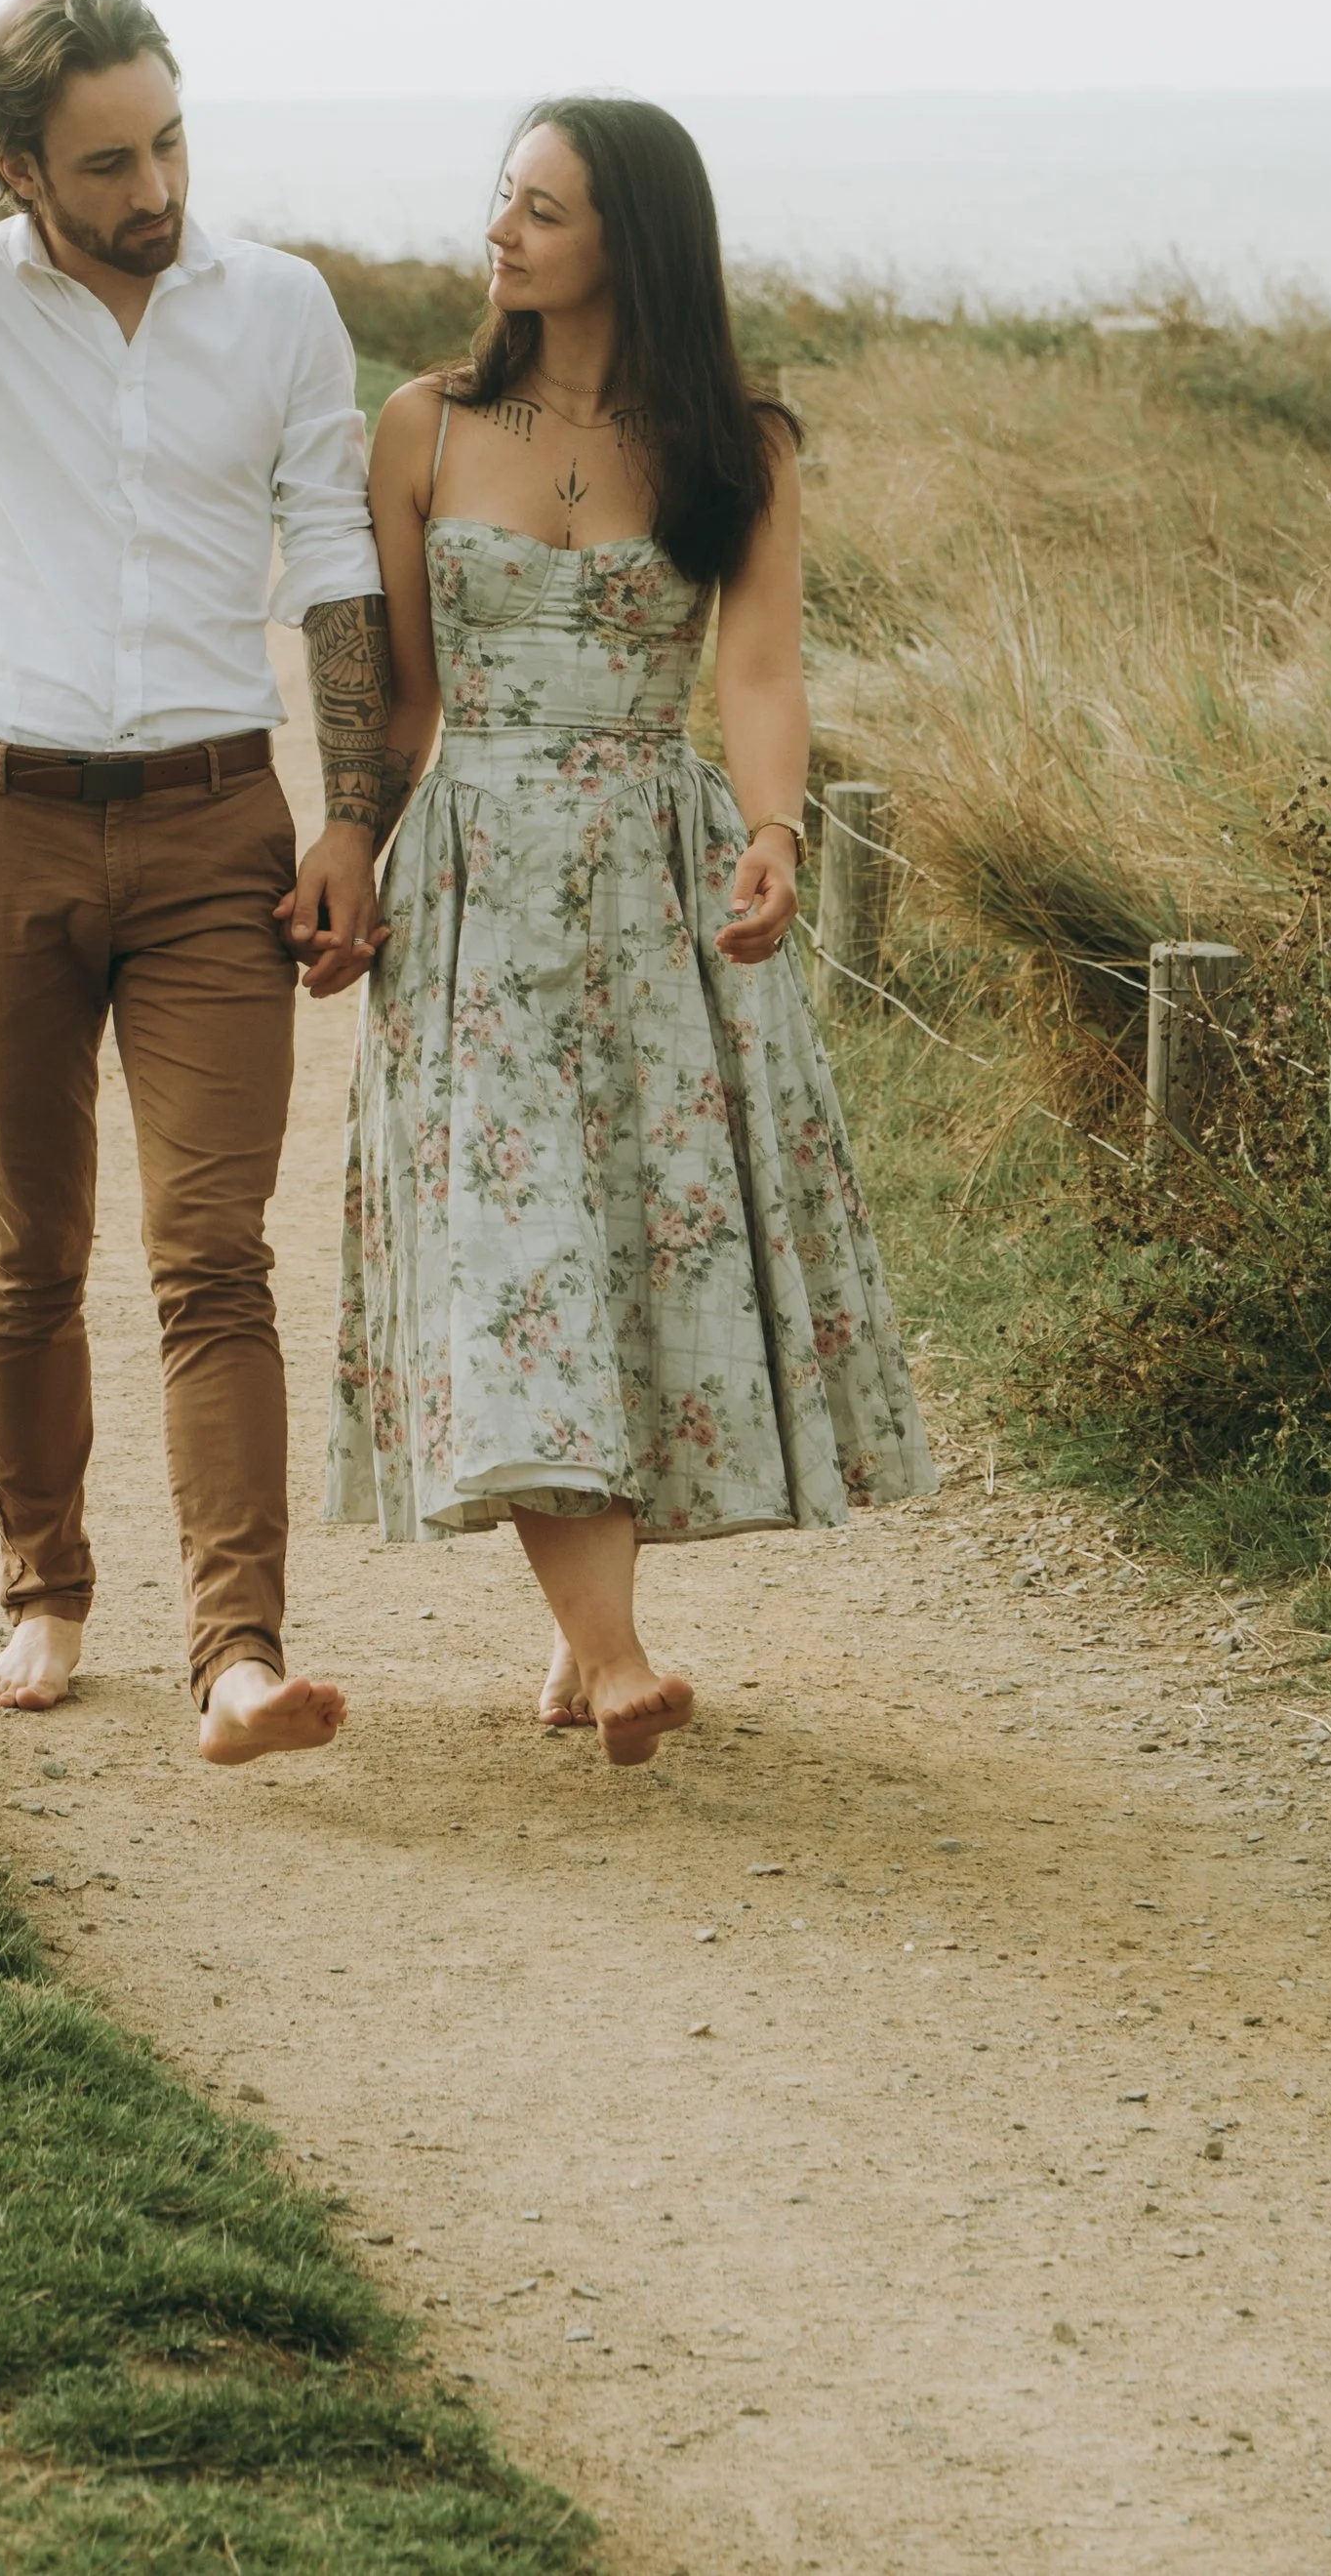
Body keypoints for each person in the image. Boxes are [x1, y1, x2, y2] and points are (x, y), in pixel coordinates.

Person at [0, 0, 400, 1763]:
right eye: (106, 158)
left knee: (214, 1250)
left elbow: (338, 560)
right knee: (29, 1244)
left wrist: (356, 813)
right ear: (19, 169)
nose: (153, 188)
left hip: (217, 829)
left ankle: (241, 1655)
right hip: (2, 820)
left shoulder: (277, 306)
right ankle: (42, 1592)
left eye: (170, 140)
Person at [326, 98, 935, 1762]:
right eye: (502, 200)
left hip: (654, 879)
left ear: (630, 242)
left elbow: (755, 668)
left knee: (635, 1241)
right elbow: (401, 699)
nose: (502, 233)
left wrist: (773, 831)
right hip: (473, 887)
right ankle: (610, 1653)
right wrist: (351, 854)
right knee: (514, 1252)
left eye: (542, 209)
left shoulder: (739, 440)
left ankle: (580, 1619)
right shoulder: (425, 427)